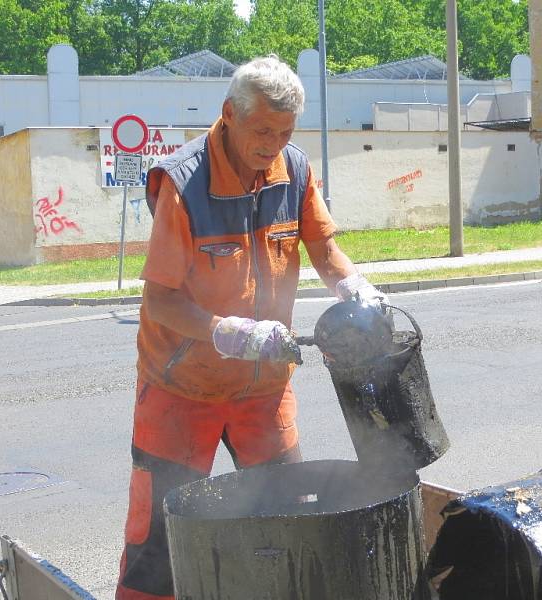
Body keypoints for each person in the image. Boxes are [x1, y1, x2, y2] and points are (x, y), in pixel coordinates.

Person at [115, 55, 385, 600]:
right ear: (229, 115)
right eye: (263, 130)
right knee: (159, 540)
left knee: (285, 516)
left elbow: (322, 244)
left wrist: (352, 285)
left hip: (264, 386)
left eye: (285, 132)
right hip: (181, 389)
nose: (273, 144)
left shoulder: (296, 169)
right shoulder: (185, 184)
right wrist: (225, 331)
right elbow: (160, 299)